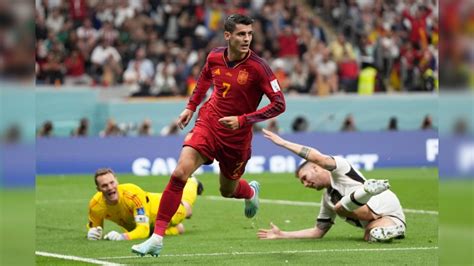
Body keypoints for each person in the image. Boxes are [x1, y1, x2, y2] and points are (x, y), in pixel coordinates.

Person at [132, 14, 286, 256]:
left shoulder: (259, 68)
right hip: (209, 122)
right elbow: (204, 79)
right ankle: (157, 237)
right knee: (180, 172)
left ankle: (250, 192)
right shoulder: (215, 56)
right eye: (241, 34)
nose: (247, 39)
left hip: (236, 137)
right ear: (228, 36)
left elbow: (279, 104)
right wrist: (191, 107)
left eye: (249, 34)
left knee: (227, 190)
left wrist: (243, 120)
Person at [257, 129, 406, 242]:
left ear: (315, 168)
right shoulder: (327, 198)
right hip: (387, 217)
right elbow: (318, 232)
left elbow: (317, 158)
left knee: (339, 208)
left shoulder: (340, 167)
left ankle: (367, 190)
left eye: (304, 178)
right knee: (370, 235)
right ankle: (392, 230)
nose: (305, 184)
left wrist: (283, 143)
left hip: (381, 200)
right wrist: (282, 234)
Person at [86, 168, 203, 241]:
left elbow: (143, 231)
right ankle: (176, 229)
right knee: (151, 233)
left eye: (112, 183)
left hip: (162, 208)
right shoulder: (95, 205)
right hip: (143, 223)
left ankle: (192, 182)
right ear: (98, 189)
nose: (110, 187)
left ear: (117, 181)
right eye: (105, 185)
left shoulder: (132, 194)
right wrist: (92, 232)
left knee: (187, 210)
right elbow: (95, 228)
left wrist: (122, 237)